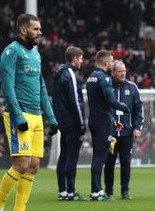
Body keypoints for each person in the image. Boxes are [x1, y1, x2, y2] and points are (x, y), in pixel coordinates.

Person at [0, 14, 59, 211]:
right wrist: (18, 115)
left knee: (34, 166)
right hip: (18, 113)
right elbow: (7, 86)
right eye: (36, 29)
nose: (40, 32)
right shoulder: (12, 51)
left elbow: (42, 88)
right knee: (22, 163)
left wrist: (51, 118)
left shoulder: (36, 55)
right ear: (23, 30)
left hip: (36, 116)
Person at [86, 50, 131, 201]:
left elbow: (100, 103)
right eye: (112, 61)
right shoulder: (104, 78)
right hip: (102, 122)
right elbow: (111, 101)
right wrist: (125, 108)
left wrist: (113, 120)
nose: (113, 64)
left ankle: (95, 190)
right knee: (101, 157)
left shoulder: (91, 77)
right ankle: (97, 192)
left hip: (94, 119)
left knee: (96, 156)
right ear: (106, 63)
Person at [104, 60, 144, 200]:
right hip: (111, 133)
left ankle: (125, 191)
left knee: (126, 162)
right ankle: (108, 192)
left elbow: (139, 109)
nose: (122, 73)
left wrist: (137, 127)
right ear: (113, 72)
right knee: (109, 163)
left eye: (124, 71)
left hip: (127, 133)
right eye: (119, 71)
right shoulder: (107, 85)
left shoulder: (132, 87)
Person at [52, 46, 87, 201]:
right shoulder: (70, 75)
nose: (82, 61)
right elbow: (75, 101)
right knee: (72, 156)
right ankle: (71, 192)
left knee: (63, 155)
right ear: (74, 58)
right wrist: (81, 123)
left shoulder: (59, 74)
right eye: (80, 58)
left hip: (62, 121)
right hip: (72, 122)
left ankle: (62, 191)